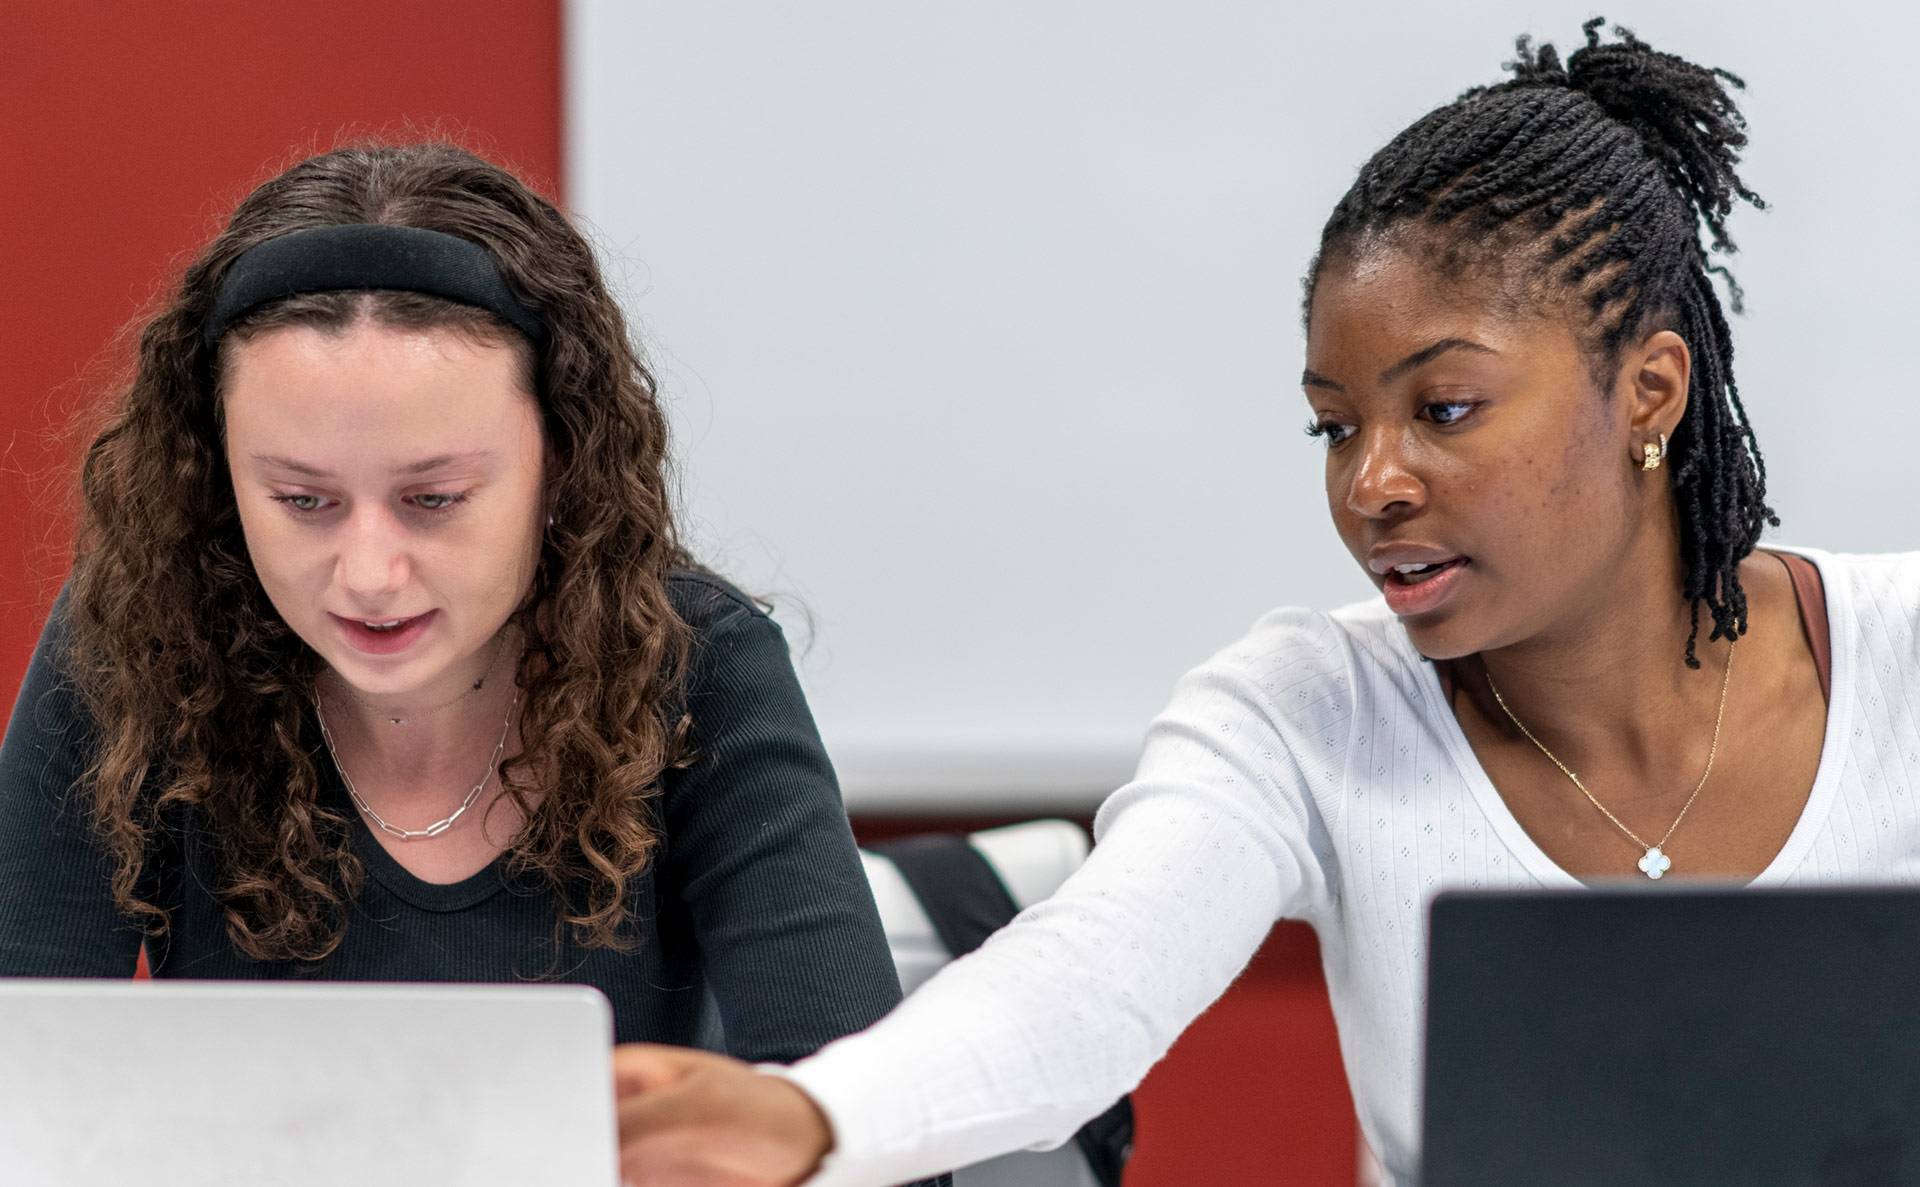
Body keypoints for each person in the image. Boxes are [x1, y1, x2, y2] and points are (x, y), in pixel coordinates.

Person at [608, 21, 1920, 1187]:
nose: (1373, 483)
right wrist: (817, 1114)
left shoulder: (1899, 654)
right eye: (1335, 428)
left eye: (1445, 407)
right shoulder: (1306, 711)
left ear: (1649, 389)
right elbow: (1086, 981)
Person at [0, 144, 934, 1168]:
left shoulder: (697, 665)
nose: (368, 574)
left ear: (561, 457)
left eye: (435, 498)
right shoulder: (137, 637)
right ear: (219, 473)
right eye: (302, 500)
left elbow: (873, 1142)